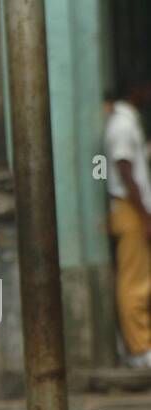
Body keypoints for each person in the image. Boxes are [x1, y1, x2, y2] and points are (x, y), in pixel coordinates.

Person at [104, 70, 151, 369]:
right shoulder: (121, 125)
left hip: (132, 208)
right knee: (134, 281)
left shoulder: (128, 121)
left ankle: (139, 344)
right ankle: (139, 347)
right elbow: (124, 167)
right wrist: (144, 214)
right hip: (129, 208)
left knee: (139, 278)